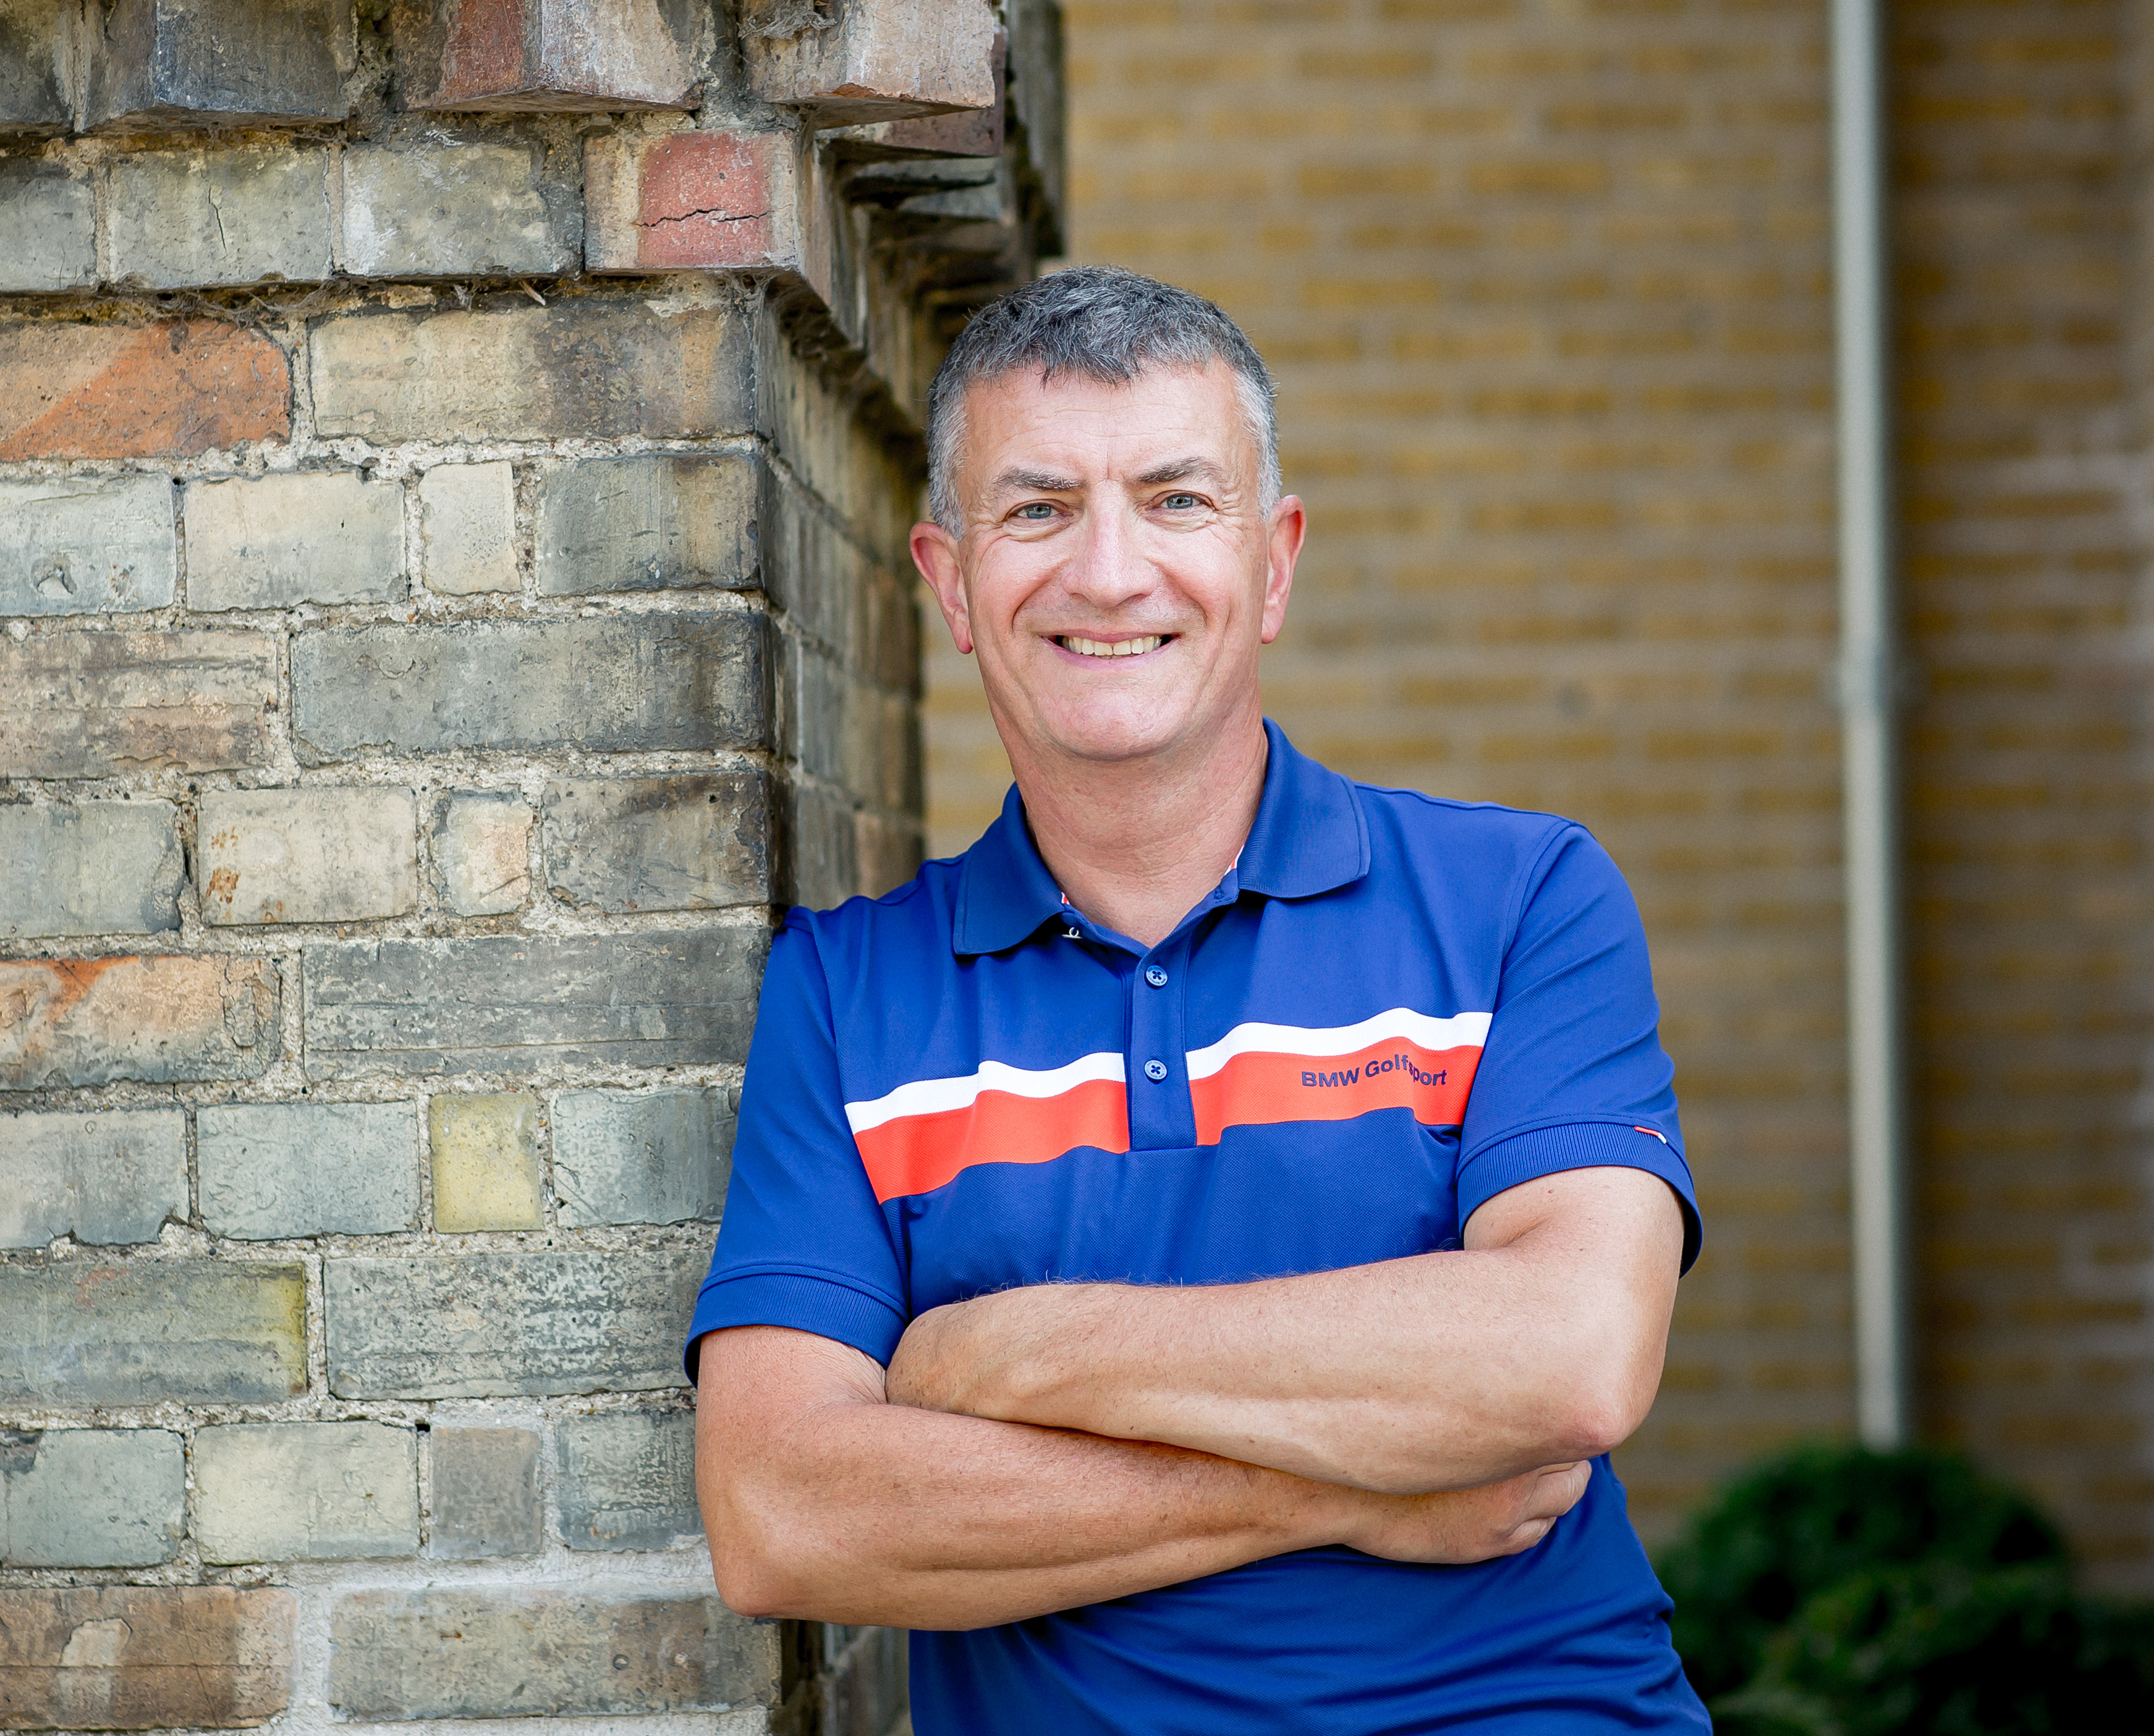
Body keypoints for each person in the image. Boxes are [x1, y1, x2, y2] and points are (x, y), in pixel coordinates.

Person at [687, 266, 1711, 1734]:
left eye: (1175, 500)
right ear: (949, 582)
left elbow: (1570, 1358)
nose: (1109, 572)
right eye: (1038, 509)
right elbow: (783, 1513)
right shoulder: (849, 993)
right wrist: (1347, 1487)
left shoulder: (1517, 901)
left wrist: (1005, 1352)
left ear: (1273, 562)